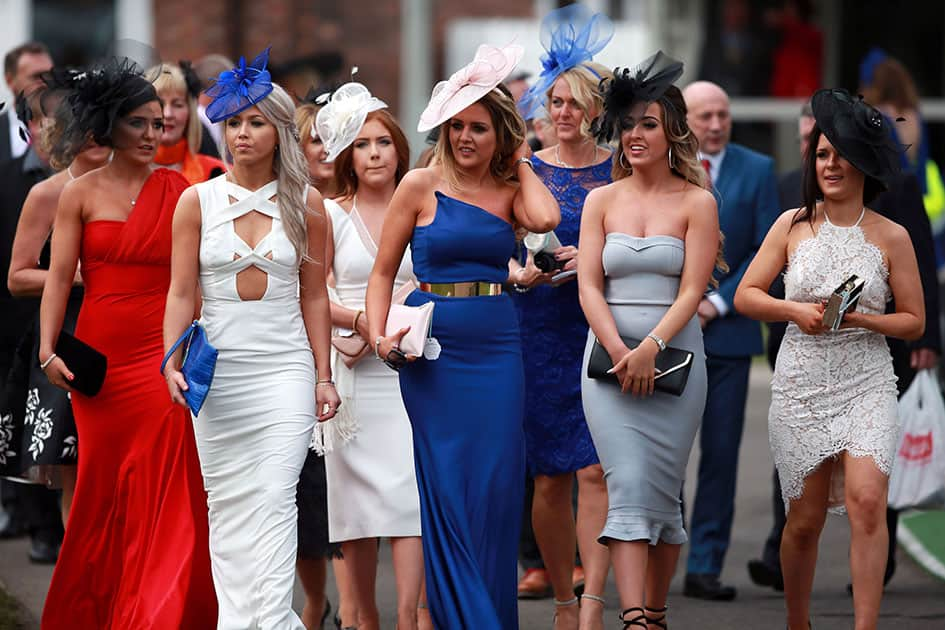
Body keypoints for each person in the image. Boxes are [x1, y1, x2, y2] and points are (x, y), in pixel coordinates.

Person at [366, 43, 559, 629]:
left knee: (498, 487)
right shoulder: (417, 187)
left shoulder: (509, 192)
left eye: (478, 127)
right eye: (456, 126)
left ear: (500, 134)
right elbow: (381, 274)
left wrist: (521, 156)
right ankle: (463, 617)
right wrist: (378, 337)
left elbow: (547, 220)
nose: (465, 137)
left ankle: (489, 616)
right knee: (447, 485)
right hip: (436, 353)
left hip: (499, 345)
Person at [162, 48, 340, 630]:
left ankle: (274, 622)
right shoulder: (197, 201)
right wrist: (171, 362)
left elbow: (314, 295)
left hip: (286, 370)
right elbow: (181, 293)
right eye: (233, 121)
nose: (241, 132)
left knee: (272, 498)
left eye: (255, 121)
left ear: (279, 129)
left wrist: (322, 374)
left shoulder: (307, 202)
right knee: (228, 508)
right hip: (220, 375)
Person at [735, 87, 925, 630]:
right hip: (800, 384)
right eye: (821, 153)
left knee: (868, 501)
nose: (831, 163)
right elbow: (748, 294)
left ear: (864, 161)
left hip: (866, 379)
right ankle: (799, 621)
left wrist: (861, 319)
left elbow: (913, 320)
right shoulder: (792, 224)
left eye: (840, 153)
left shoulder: (893, 235)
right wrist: (795, 312)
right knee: (803, 522)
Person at [37, 58, 216, 628]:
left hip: (163, 354)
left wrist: (189, 346)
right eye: (138, 122)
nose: (152, 132)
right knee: (103, 486)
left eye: (159, 121)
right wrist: (48, 351)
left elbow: (196, 282)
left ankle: (158, 611)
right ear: (108, 125)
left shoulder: (184, 191)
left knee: (168, 484)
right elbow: (60, 280)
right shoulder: (78, 194)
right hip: (100, 360)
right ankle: (98, 609)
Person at [579, 52, 722, 630]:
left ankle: (656, 614)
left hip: (676, 362)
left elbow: (692, 291)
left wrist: (651, 348)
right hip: (608, 367)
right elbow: (589, 286)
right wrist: (619, 351)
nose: (635, 135)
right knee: (628, 486)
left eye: (648, 124)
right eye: (629, 124)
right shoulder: (600, 201)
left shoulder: (698, 201)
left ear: (672, 132)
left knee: (663, 498)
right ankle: (635, 619)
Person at [512, 4, 614, 628]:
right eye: (554, 100)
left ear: (594, 108)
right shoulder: (523, 169)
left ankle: (595, 601)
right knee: (549, 476)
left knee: (597, 468)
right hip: (539, 326)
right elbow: (497, 244)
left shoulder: (618, 167)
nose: (563, 111)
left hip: (599, 324)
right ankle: (561, 596)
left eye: (575, 101)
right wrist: (523, 268)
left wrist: (597, 259)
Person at [315, 80, 424, 630]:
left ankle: (412, 617)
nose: (375, 152)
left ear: (399, 148)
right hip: (352, 366)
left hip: (412, 368)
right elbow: (315, 291)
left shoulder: (424, 205)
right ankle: (363, 620)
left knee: (410, 500)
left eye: (383, 141)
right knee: (354, 507)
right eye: (363, 144)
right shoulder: (330, 214)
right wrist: (357, 325)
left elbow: (433, 276)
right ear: (347, 157)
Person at [681, 79, 780, 601]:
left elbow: (767, 247)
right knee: (665, 455)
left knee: (720, 457)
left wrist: (715, 304)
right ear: (686, 119)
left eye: (723, 115)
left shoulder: (757, 169)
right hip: (667, 336)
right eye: (705, 116)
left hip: (729, 336)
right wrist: (682, 306)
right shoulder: (665, 165)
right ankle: (659, 556)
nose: (716, 125)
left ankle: (704, 566)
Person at [6, 73, 113, 526]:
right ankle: (81, 584)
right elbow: (17, 277)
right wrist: (73, 276)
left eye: (103, 126)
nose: (94, 137)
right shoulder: (46, 194)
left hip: (123, 335)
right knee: (76, 471)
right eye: (82, 127)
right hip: (65, 336)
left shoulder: (133, 189)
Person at [293, 89, 350, 630]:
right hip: (306, 352)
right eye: (317, 139)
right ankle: (315, 600)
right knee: (309, 492)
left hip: (366, 357)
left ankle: (356, 604)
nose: (328, 149)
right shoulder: (292, 206)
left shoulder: (371, 201)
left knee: (355, 487)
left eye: (337, 138)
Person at [0, 93, 63, 564]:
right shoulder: (12, 181)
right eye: (47, 122)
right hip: (21, 325)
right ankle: (43, 528)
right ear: (28, 128)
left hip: (86, 326)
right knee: (38, 434)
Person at [152, 62, 226, 183]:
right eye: (159, 103)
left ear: (190, 112)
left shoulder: (218, 174)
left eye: (178, 105)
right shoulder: (123, 173)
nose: (168, 114)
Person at [0, 42, 52, 164]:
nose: (46, 82)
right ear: (10, 80)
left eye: (50, 75)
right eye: (37, 76)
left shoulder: (74, 131)